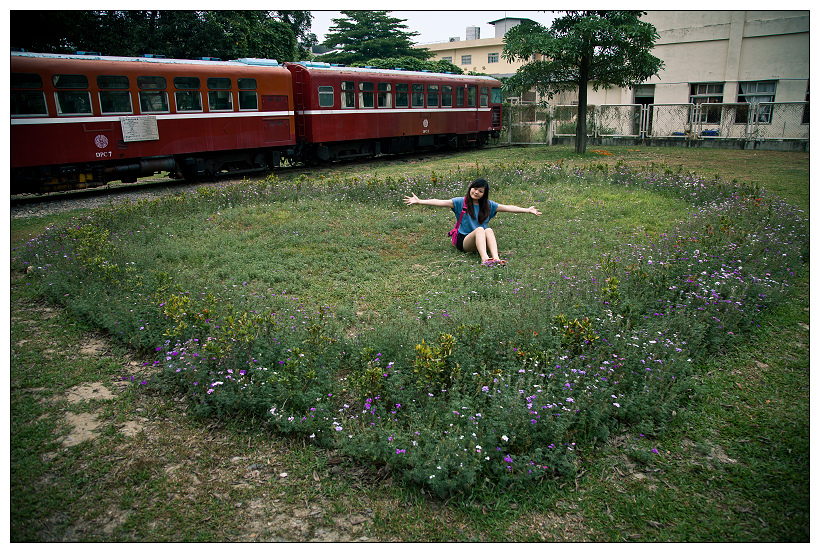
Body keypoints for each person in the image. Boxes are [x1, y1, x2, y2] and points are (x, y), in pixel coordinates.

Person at [403, 178, 541, 266]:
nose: (476, 192)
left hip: (481, 240)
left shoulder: (488, 205)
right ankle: (485, 259)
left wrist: (527, 210)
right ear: (470, 188)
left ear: (484, 194)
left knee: (488, 230)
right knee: (480, 229)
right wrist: (420, 201)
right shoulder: (460, 202)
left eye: (480, 191)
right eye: (474, 188)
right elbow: (439, 202)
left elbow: (508, 208)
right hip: (464, 241)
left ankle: (496, 258)